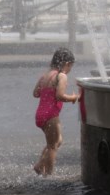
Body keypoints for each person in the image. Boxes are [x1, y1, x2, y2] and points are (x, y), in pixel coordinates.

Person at [32, 47, 79, 176]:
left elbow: (35, 93)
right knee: (53, 146)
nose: (70, 70)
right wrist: (73, 98)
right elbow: (59, 96)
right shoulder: (61, 76)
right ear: (67, 64)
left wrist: (47, 92)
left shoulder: (45, 76)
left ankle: (41, 165)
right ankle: (49, 175)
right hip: (51, 115)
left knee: (57, 141)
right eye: (71, 67)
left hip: (40, 115)